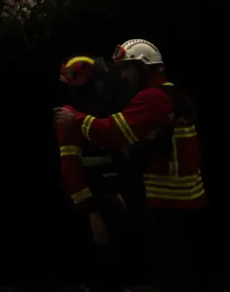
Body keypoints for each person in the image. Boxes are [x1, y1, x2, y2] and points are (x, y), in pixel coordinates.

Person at [55, 39, 211, 292]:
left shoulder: (152, 99)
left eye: (127, 69)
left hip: (168, 205)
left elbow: (117, 131)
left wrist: (78, 120)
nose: (121, 78)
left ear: (143, 68)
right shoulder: (175, 95)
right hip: (174, 202)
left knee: (171, 275)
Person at [56, 55, 142, 292]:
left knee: (112, 258)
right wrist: (91, 211)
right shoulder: (69, 118)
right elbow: (70, 169)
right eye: (98, 81)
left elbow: (110, 153)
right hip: (89, 199)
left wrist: (114, 191)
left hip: (108, 194)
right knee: (97, 257)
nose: (103, 86)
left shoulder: (91, 115)